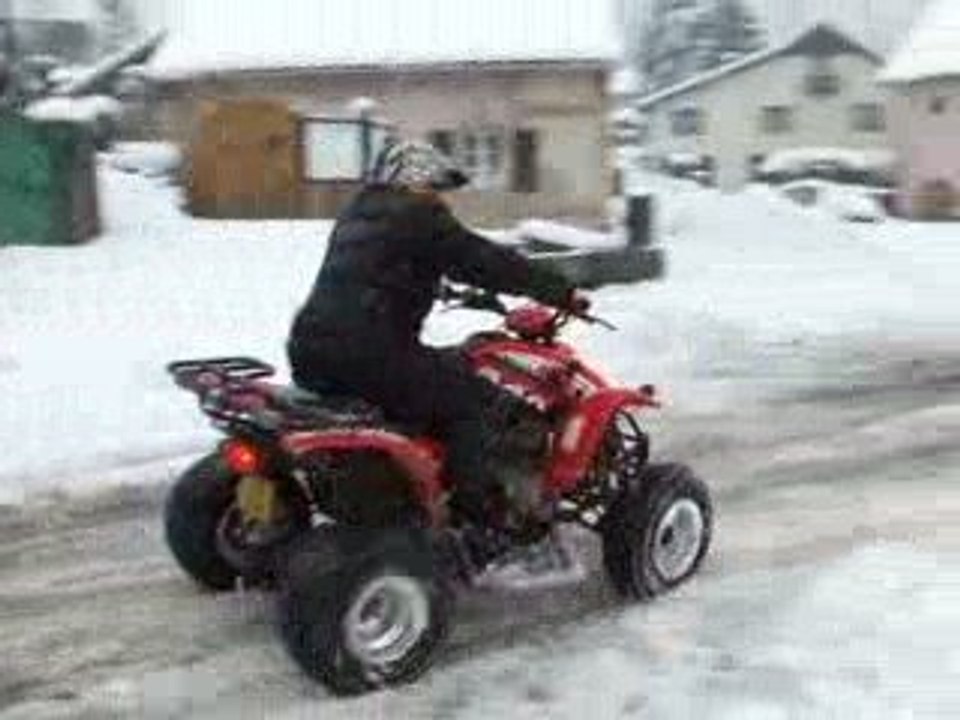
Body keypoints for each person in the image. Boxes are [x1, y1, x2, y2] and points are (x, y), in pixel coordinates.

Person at [287, 139, 588, 536]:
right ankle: (479, 515)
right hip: (368, 357)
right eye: (437, 188)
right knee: (474, 401)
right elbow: (483, 260)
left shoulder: (359, 215)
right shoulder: (417, 214)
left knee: (427, 384)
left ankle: (404, 485)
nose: (442, 200)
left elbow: (376, 270)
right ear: (417, 180)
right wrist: (560, 290)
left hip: (310, 352)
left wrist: (439, 287)